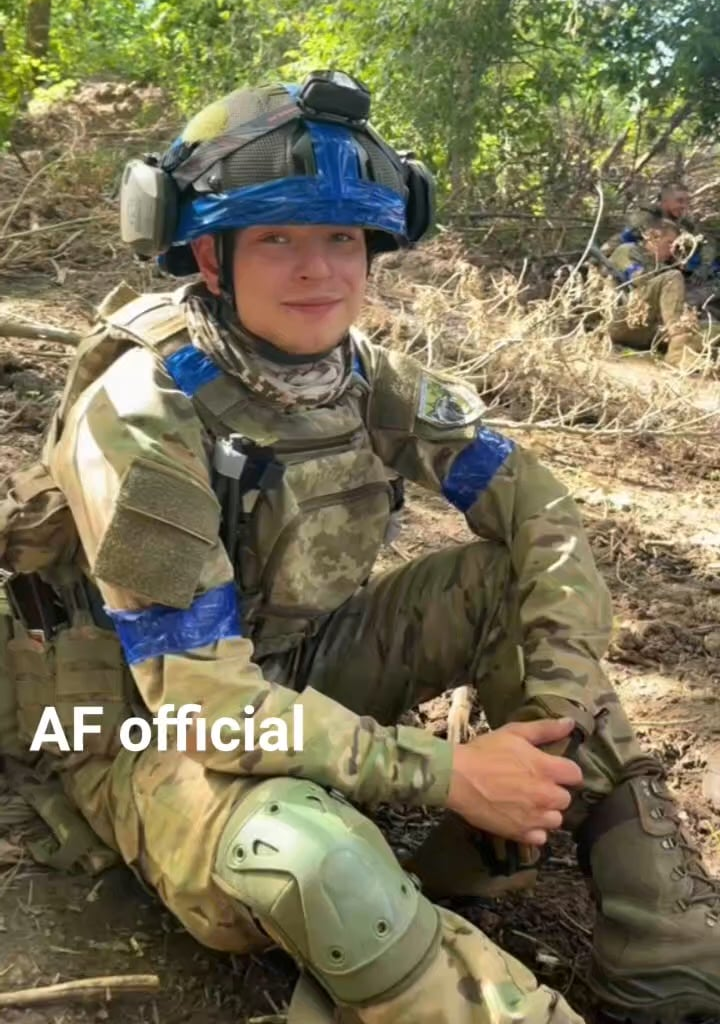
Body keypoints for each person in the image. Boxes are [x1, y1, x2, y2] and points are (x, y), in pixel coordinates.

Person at [2, 73, 719, 1024]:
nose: (320, 271)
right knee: (319, 861)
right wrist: (448, 773)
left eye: (342, 237)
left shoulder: (359, 375)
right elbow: (205, 708)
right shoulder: (143, 412)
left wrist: (546, 734)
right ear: (210, 259)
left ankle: (666, 958)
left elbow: (538, 512)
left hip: (289, 675)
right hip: (132, 732)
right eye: (278, 238)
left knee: (513, 584)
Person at [607, 218, 718, 368]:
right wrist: (669, 272)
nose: (672, 249)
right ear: (653, 236)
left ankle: (690, 353)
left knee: (712, 327)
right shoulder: (628, 250)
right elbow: (638, 281)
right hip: (620, 320)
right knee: (673, 278)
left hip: (646, 329)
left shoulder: (663, 267)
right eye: (669, 243)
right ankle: (677, 351)